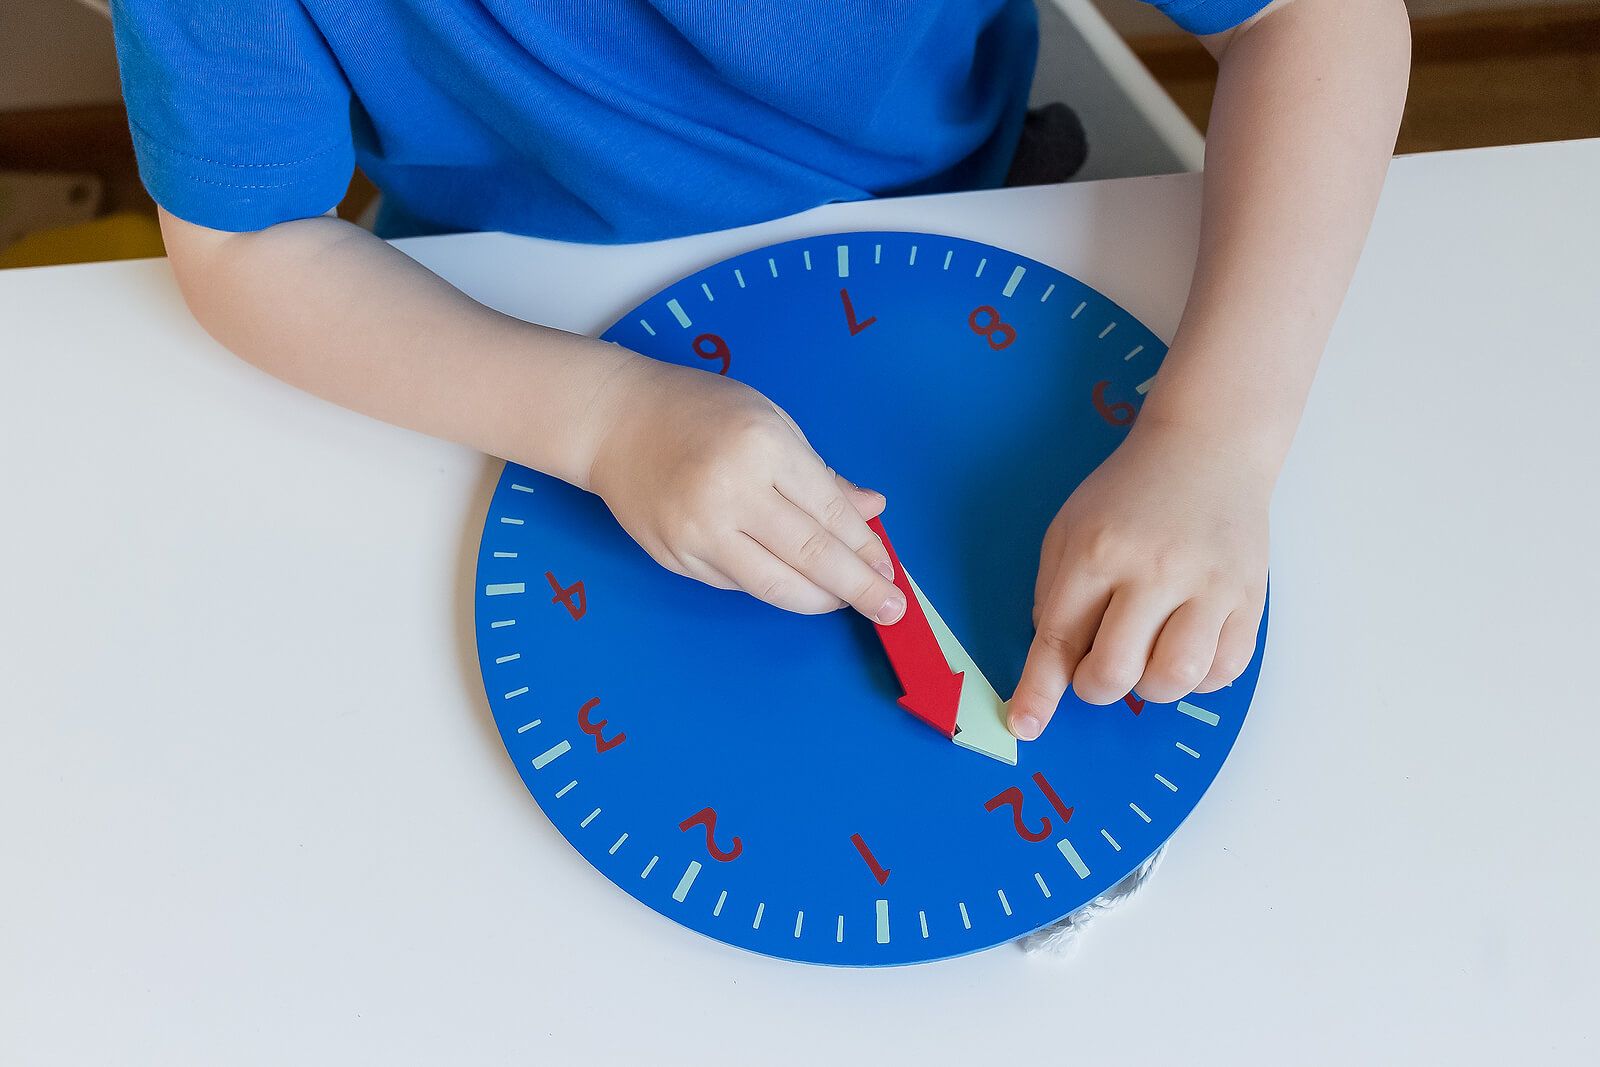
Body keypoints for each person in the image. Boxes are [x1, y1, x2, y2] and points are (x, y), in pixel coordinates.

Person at [108, 0, 1411, 742]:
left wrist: (1217, 437)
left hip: (946, 227)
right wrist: (602, 418)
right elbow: (245, 248)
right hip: (485, 314)